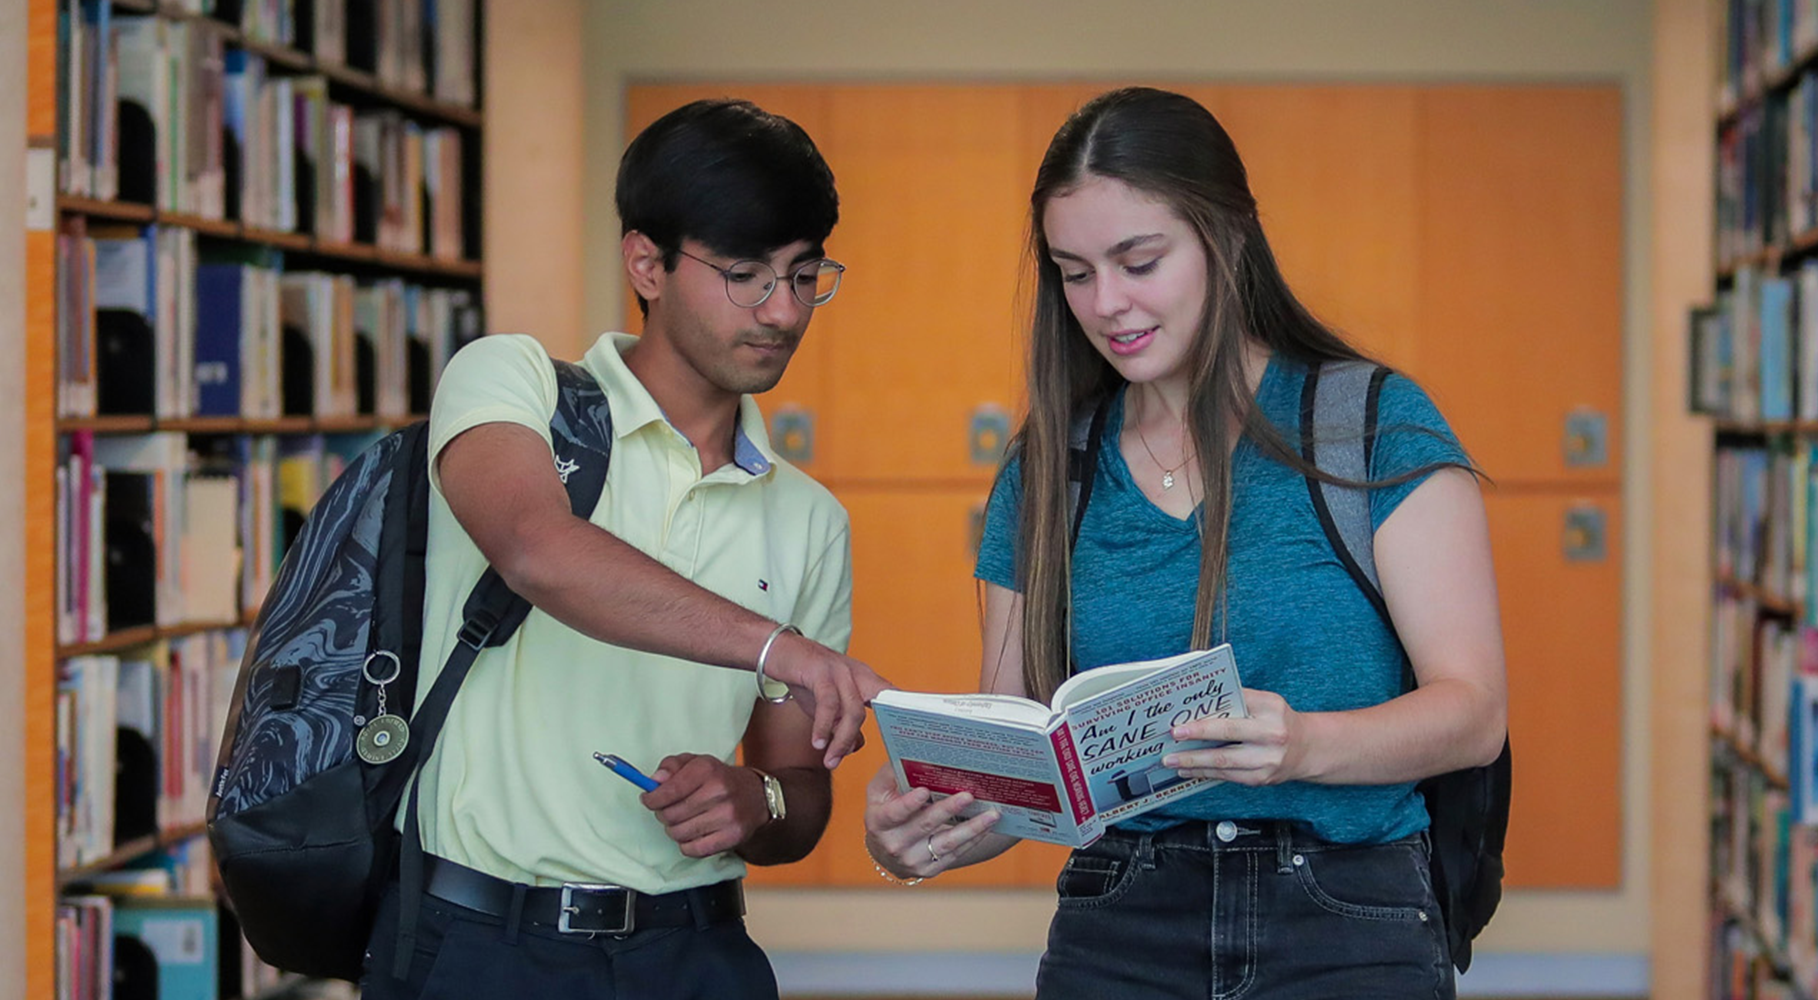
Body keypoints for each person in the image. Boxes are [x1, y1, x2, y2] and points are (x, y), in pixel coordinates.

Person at [864, 86, 1508, 999]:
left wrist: (1305, 745)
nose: (1106, 303)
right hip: (1121, 913)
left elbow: (1474, 714)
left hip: (1348, 916)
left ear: (1227, 238)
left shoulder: (1370, 426)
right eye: (1075, 272)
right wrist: (923, 832)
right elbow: (1019, 766)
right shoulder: (1050, 469)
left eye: (1139, 260)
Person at [359, 98, 890, 1000]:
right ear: (646, 262)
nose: (783, 310)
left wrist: (750, 801)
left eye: (805, 276)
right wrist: (773, 644)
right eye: (745, 274)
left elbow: (796, 791)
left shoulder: (809, 520)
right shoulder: (510, 383)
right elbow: (536, 549)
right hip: (476, 946)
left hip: (696, 953)